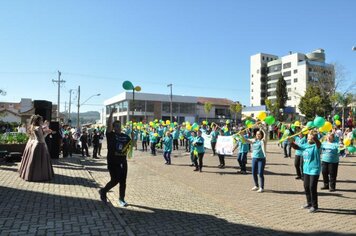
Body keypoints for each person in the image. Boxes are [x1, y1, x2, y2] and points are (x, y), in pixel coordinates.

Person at [99, 109, 132, 207]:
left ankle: (121, 199)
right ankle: (103, 191)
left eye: (119, 125)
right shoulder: (111, 135)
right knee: (115, 180)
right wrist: (111, 114)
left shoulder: (125, 136)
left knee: (123, 181)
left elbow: (131, 146)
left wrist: (133, 138)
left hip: (123, 162)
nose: (118, 127)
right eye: (116, 126)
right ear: (113, 128)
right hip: (113, 162)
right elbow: (108, 125)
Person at [290, 130, 321, 213]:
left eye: (309, 137)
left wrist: (313, 136)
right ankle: (309, 203)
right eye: (308, 137)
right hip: (306, 170)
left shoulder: (316, 146)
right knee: (306, 187)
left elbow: (318, 143)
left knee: (312, 187)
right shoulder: (305, 145)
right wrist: (291, 142)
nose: (308, 138)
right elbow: (297, 147)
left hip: (314, 170)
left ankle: (315, 206)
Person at [18, 115, 54, 181]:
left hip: (33, 145)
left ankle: (30, 175)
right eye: (41, 120)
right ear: (38, 121)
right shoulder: (38, 128)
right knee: (39, 163)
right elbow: (41, 138)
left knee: (32, 162)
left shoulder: (32, 127)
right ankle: (38, 176)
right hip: (40, 146)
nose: (42, 121)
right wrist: (47, 133)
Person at [240, 125, 267, 193]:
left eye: (259, 134)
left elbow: (266, 134)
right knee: (254, 173)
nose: (258, 135)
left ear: (261, 135)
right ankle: (256, 185)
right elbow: (246, 140)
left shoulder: (263, 141)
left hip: (261, 159)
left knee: (260, 173)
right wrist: (241, 135)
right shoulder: (253, 140)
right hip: (254, 158)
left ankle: (261, 187)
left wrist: (263, 129)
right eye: (257, 134)